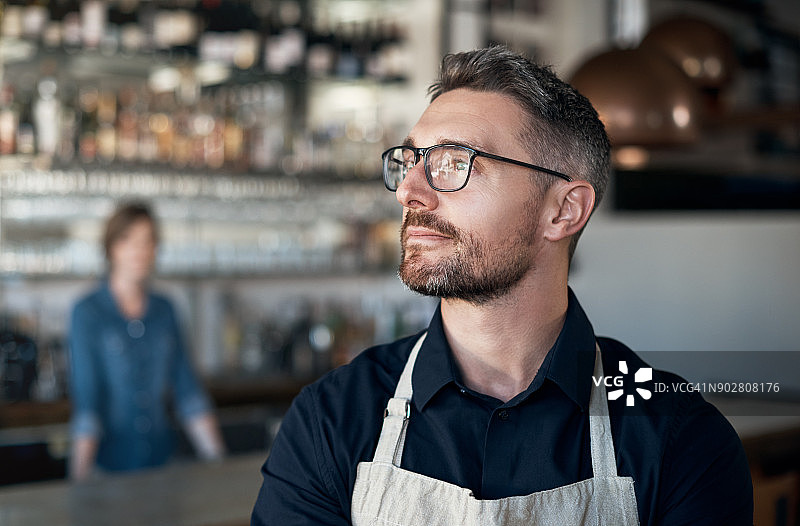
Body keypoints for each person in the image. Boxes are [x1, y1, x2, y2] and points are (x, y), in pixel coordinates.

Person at [251, 46, 753, 525]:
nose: (408, 190)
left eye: (455, 162)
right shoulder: (331, 419)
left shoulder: (679, 437)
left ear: (564, 210)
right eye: (409, 161)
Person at [69, 202, 225, 481]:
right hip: (109, 470)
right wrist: (77, 482)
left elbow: (188, 392)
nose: (139, 250)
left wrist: (219, 463)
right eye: (128, 240)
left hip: (162, 465)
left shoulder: (166, 309)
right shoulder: (88, 312)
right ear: (111, 247)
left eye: (148, 241)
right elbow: (87, 402)